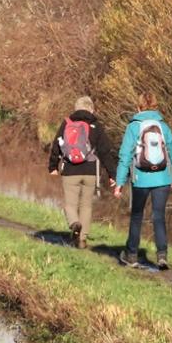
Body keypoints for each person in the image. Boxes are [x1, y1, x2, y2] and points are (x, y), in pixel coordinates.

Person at [114, 93, 172, 269]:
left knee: (137, 216)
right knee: (159, 217)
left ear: (139, 107)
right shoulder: (163, 127)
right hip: (163, 179)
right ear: (156, 106)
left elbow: (125, 156)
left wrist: (120, 183)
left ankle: (132, 255)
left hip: (140, 179)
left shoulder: (134, 127)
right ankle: (162, 256)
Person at [48, 96, 117, 248]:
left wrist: (53, 166)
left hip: (70, 170)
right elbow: (105, 151)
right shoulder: (96, 125)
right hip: (90, 171)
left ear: (76, 108)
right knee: (86, 205)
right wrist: (113, 174)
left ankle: (74, 224)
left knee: (70, 204)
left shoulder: (67, 123)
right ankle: (82, 239)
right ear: (91, 109)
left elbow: (57, 145)